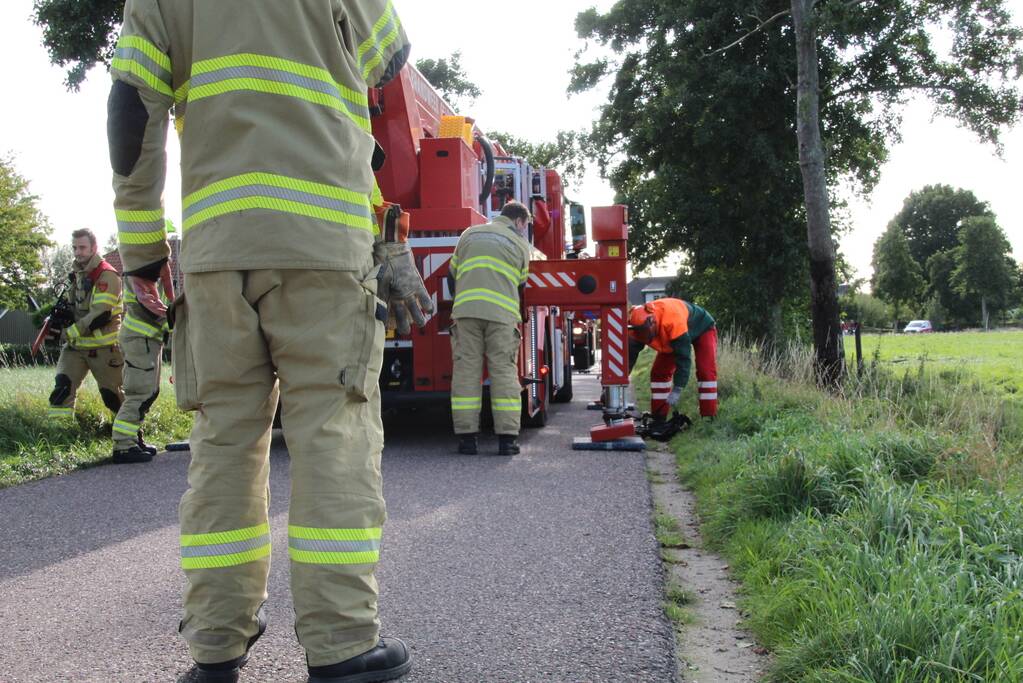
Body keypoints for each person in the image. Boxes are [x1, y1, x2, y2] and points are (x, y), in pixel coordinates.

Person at [106, 2, 431, 682]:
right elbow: (389, 64)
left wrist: (139, 252)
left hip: (218, 249)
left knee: (223, 442)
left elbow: (132, 110)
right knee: (332, 433)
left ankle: (215, 646)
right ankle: (342, 645)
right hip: (322, 245)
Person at [448, 201, 532, 456]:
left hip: (466, 313)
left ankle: (467, 440)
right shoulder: (519, 244)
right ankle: (507, 441)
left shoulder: (468, 234)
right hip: (501, 317)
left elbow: (452, 274)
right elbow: (521, 282)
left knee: (466, 372)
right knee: (504, 373)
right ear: (519, 221)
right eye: (525, 226)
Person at [47, 229, 125, 426]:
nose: (77, 252)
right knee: (61, 390)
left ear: (94, 248)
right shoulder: (76, 275)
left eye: (82, 247)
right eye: (74, 247)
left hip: (103, 350)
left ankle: (130, 438)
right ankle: (60, 438)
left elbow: (100, 315)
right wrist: (55, 321)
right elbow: (69, 304)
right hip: (75, 348)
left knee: (113, 397)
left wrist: (67, 333)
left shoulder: (107, 275)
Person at [110, 261, 174, 464]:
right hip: (140, 341)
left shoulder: (150, 277)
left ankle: (132, 438)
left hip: (147, 341)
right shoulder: (138, 276)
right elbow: (153, 310)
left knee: (149, 393)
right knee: (139, 392)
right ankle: (122, 445)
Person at [627, 298, 718, 422]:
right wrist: (617, 382)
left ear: (652, 322)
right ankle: (659, 417)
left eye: (646, 333)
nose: (644, 336)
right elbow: (629, 357)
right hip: (672, 336)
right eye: (641, 333)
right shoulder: (636, 327)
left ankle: (708, 416)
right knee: (659, 373)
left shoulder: (673, 322)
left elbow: (684, 358)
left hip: (703, 327)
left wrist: (678, 388)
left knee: (705, 371)